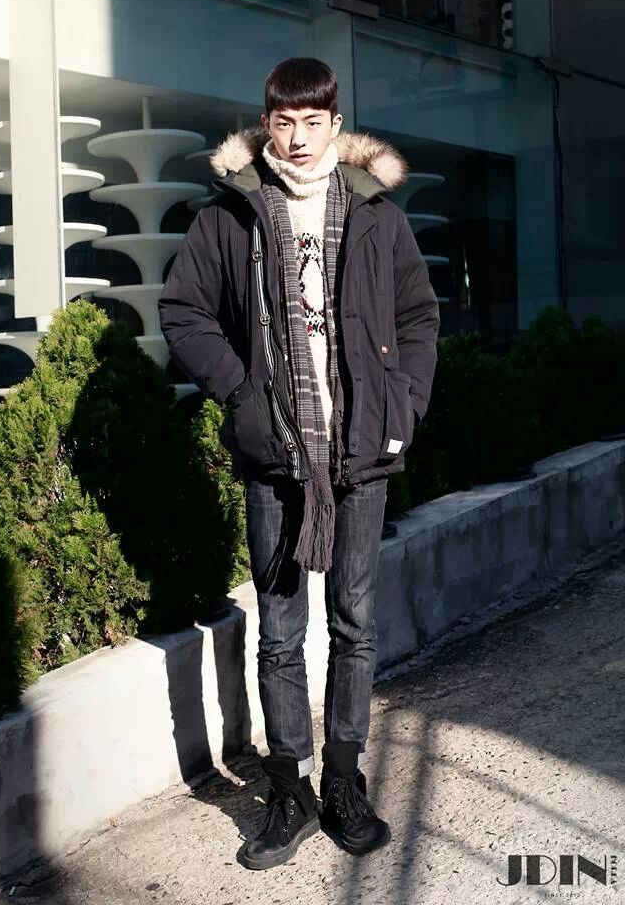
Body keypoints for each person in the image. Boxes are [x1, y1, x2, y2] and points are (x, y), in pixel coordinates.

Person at [158, 57, 440, 870]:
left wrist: (402, 406)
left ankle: (344, 781)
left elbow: (418, 316)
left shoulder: (376, 212)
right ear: (267, 124)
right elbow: (183, 310)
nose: (299, 138)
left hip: (360, 449)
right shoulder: (233, 212)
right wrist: (242, 394)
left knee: (354, 622)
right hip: (274, 450)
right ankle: (291, 790)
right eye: (284, 122)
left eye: (314, 122)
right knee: (280, 632)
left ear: (335, 125)